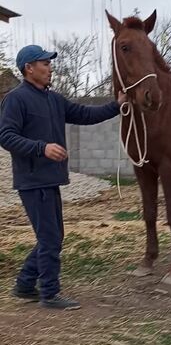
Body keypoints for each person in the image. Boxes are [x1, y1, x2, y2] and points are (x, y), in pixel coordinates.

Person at [0, 44, 126, 310]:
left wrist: (117, 105)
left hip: (51, 179)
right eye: (45, 63)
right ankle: (49, 293)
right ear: (29, 68)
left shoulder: (54, 99)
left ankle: (24, 285)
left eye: (49, 63)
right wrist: (41, 148)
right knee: (50, 239)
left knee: (53, 237)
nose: (50, 68)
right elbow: (6, 136)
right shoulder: (16, 99)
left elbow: (85, 114)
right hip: (33, 181)